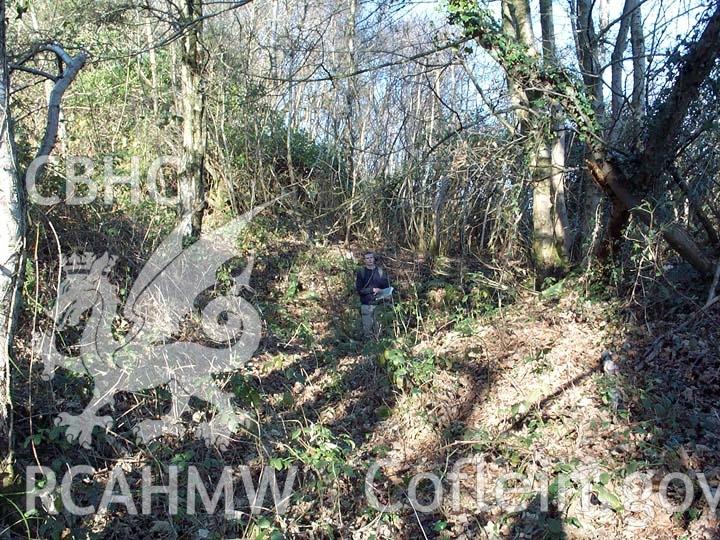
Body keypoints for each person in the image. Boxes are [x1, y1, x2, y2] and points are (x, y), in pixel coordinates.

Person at [355, 251, 390, 340]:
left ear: (374, 259)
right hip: (366, 305)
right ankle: (369, 350)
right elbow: (359, 290)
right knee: (367, 330)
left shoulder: (380, 272)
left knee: (379, 330)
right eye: (367, 258)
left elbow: (387, 287)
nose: (369, 260)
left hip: (379, 304)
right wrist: (372, 290)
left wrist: (383, 292)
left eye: (371, 258)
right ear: (364, 260)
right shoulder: (361, 272)